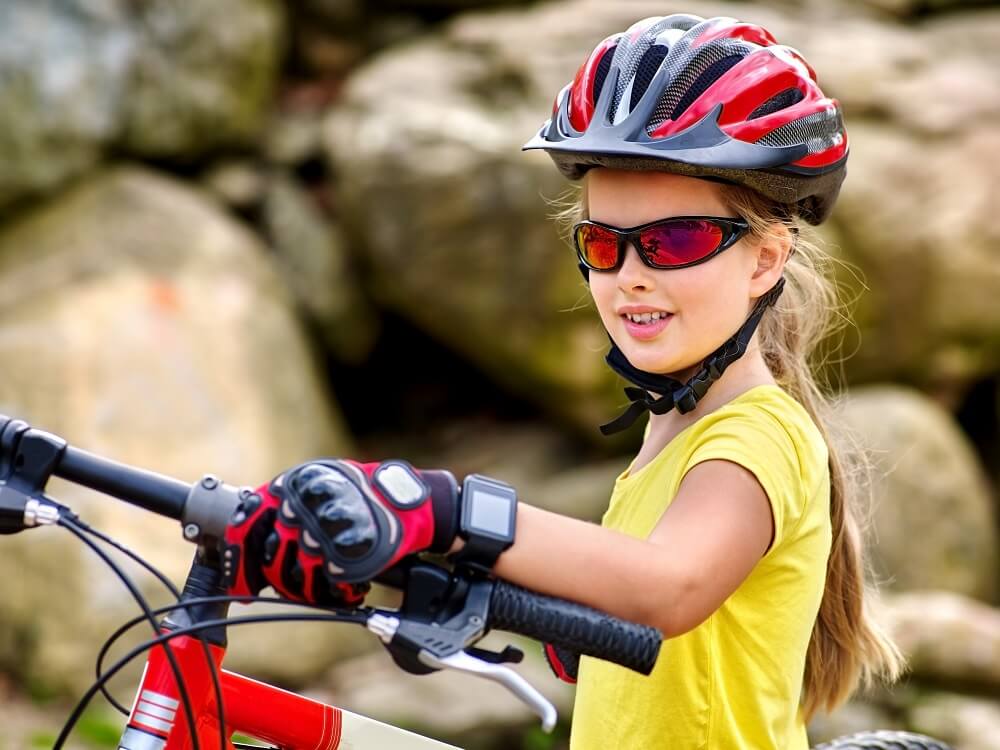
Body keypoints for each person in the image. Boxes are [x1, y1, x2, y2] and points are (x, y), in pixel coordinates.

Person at [224, 13, 903, 749]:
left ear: (765, 261)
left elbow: (665, 587)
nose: (632, 277)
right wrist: (383, 548)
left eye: (675, 240)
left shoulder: (759, 433)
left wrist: (440, 508)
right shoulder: (670, 433)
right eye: (605, 244)